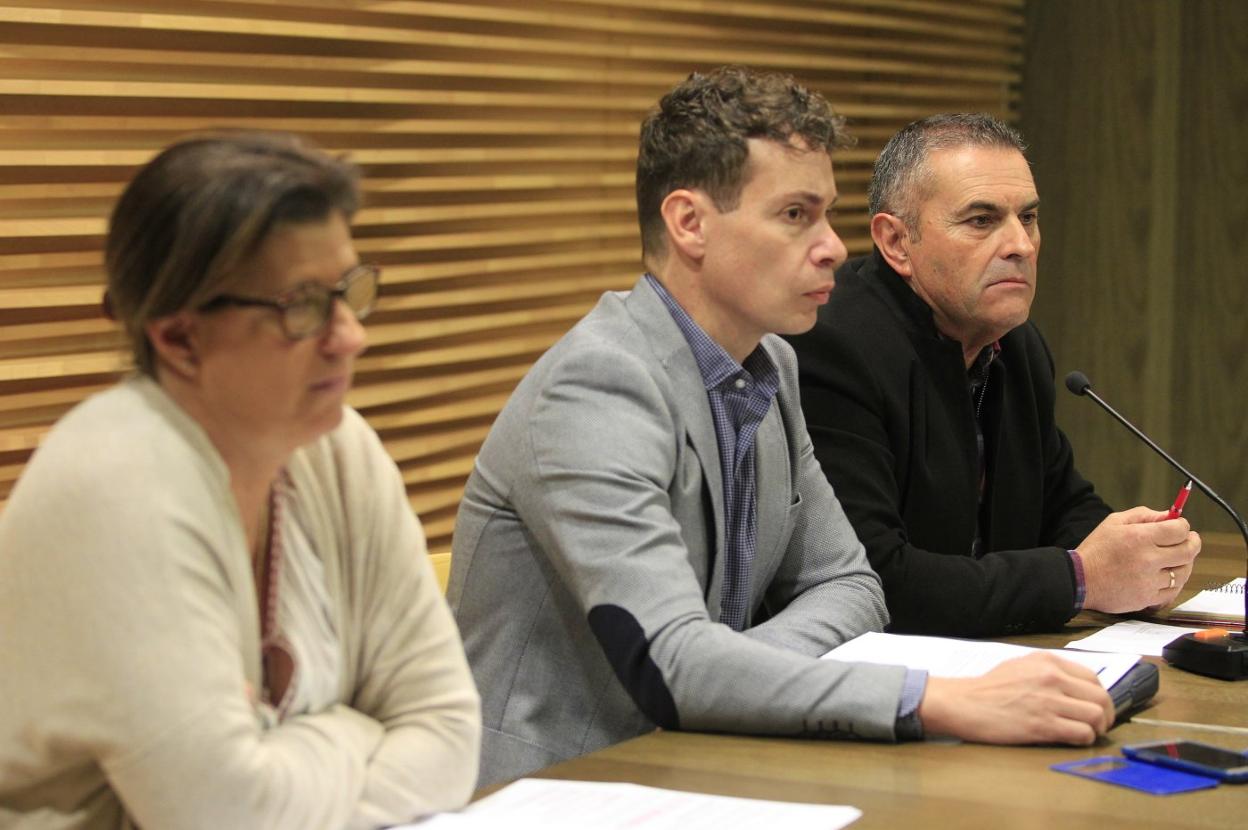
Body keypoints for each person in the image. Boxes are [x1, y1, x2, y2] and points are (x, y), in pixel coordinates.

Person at [447, 68, 1116, 788]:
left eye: (825, 214)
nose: (832, 246)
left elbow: (853, 583)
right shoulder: (597, 387)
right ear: (689, 223)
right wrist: (935, 699)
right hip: (560, 788)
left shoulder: (771, 364)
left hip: (712, 761)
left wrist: (730, 669)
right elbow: (676, 666)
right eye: (796, 215)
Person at [0, 133, 480, 828]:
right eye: (304, 306)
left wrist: (280, 765)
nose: (350, 336)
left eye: (350, 292)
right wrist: (353, 731)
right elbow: (225, 814)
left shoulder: (340, 451)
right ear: (179, 338)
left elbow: (450, 738)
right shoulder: (115, 484)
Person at [785, 114, 1202, 637]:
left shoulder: (1016, 345)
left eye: (1027, 218)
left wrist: (1138, 554)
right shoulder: (833, 347)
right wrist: (1083, 577)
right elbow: (872, 580)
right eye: (981, 220)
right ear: (895, 242)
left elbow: (1060, 504)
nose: (1021, 246)